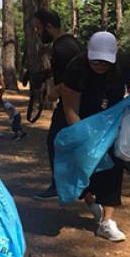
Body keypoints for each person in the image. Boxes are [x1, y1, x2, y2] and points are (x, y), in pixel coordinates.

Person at [60, 31, 130, 242]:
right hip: (81, 117)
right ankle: (90, 201)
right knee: (83, 165)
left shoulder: (124, 62)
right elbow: (70, 106)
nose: (99, 66)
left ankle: (107, 222)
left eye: (105, 62)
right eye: (95, 61)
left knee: (113, 167)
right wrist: (84, 137)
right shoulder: (76, 68)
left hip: (111, 120)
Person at [32, 10, 84, 200]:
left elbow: (68, 79)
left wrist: (54, 93)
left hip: (72, 103)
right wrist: (44, 75)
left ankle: (59, 185)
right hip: (77, 101)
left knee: (55, 141)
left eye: (38, 27)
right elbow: (68, 69)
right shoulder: (70, 42)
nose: (37, 32)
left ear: (48, 26)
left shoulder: (61, 48)